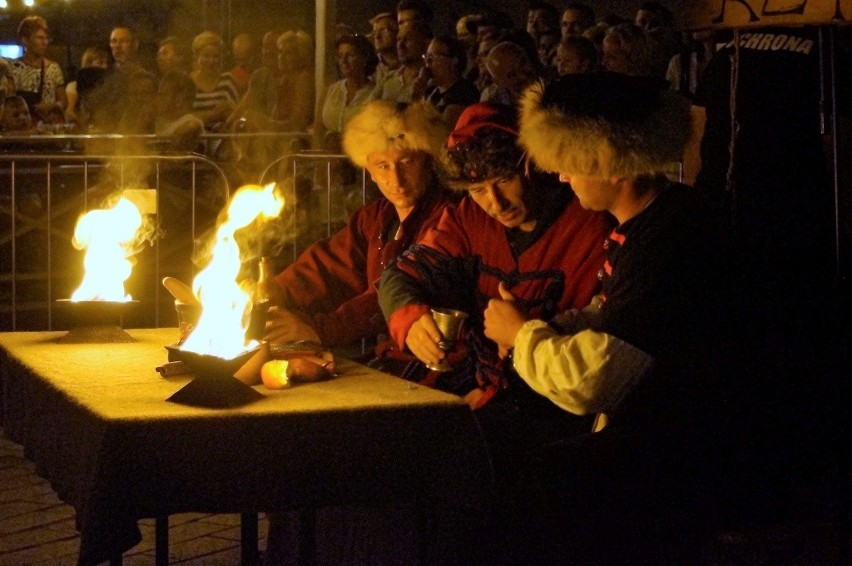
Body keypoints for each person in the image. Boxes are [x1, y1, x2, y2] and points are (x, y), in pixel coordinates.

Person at [479, 72, 746, 562]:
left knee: (523, 475)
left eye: (571, 163)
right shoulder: (647, 224)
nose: (560, 176)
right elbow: (614, 316)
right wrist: (554, 328)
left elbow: (597, 377)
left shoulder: (668, 238)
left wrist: (522, 336)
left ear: (613, 164)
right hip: (662, 436)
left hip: (687, 455)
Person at [262, 100, 456, 349]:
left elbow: (387, 294)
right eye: (383, 166)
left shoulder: (446, 217)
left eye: (407, 163)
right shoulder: (376, 217)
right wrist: (277, 291)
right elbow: (330, 266)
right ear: (370, 171)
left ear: (428, 161)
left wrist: (318, 329)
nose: (396, 179)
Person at [313, 33, 377, 150]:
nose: (344, 60)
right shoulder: (330, 91)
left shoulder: (375, 94)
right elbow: (318, 130)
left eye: (350, 55)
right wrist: (318, 156)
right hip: (328, 158)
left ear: (364, 58)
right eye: (340, 55)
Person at [10, 15, 67, 124]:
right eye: (40, 38)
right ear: (25, 40)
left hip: (47, 128)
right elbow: (9, 102)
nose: (45, 42)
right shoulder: (13, 69)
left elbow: (64, 101)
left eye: (46, 38)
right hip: (21, 128)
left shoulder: (53, 68)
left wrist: (52, 106)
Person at [415, 34, 479, 127]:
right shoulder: (430, 91)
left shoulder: (464, 93)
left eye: (434, 56)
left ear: (454, 61)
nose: (428, 62)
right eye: (427, 56)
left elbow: (442, 132)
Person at [189, 30, 239, 131]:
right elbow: (183, 118)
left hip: (222, 138)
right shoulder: (188, 82)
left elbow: (236, 115)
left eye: (215, 56)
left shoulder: (228, 80)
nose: (211, 61)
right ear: (196, 57)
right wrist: (213, 115)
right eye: (206, 56)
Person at [65, 46, 109, 124]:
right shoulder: (73, 86)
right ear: (88, 64)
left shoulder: (108, 87)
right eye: (101, 62)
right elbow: (69, 113)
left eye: (106, 63)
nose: (105, 66)